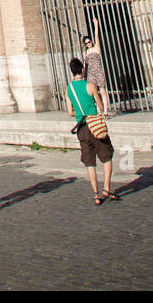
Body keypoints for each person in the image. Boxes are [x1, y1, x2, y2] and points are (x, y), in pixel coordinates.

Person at [66, 57, 119, 206]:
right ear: (83, 69)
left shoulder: (69, 89)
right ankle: (107, 188)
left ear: (72, 72)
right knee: (107, 157)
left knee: (90, 163)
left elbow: (70, 112)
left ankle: (96, 194)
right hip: (95, 125)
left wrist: (79, 112)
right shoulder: (90, 86)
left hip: (82, 128)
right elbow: (101, 107)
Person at [82, 19, 110, 117]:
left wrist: (96, 24)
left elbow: (97, 36)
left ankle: (105, 111)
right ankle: (98, 111)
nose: (88, 44)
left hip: (98, 72)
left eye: (89, 42)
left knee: (102, 91)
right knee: (95, 93)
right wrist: (83, 75)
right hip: (91, 74)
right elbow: (85, 66)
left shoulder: (96, 48)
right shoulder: (86, 52)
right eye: (86, 43)